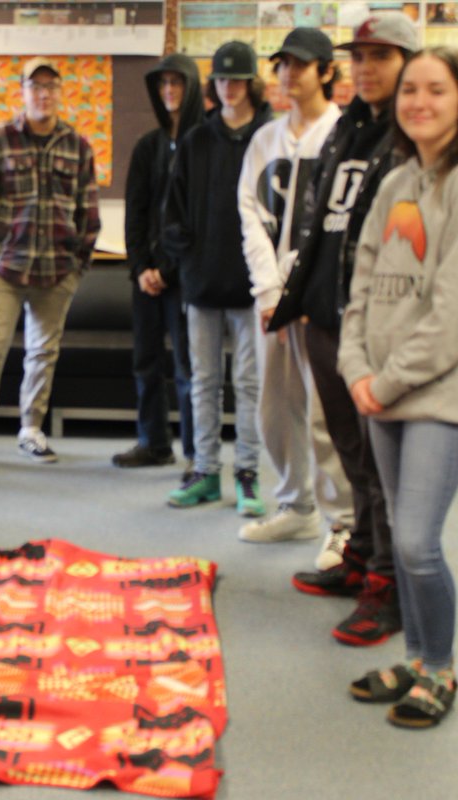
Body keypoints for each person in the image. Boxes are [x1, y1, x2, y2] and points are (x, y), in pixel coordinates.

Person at [339, 45, 458, 727]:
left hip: (440, 389)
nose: (419, 102)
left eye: (436, 91)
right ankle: (414, 660)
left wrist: (384, 380)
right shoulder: (397, 184)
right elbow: (363, 284)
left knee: (415, 541)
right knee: (397, 527)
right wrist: (356, 366)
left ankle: (440, 669)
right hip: (382, 386)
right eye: (410, 90)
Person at [272, 12, 419, 647]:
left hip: (378, 328)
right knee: (352, 452)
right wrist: (299, 298)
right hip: (326, 315)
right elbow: (318, 219)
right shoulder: (345, 130)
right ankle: (361, 552)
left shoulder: (412, 137)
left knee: (383, 462)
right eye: (358, 56)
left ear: (410, 63)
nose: (365, 67)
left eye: (380, 56)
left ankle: (388, 586)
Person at [236, 27, 354, 545]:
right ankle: (296, 505)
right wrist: (269, 292)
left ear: (327, 72)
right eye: (282, 64)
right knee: (274, 406)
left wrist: (307, 294)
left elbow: (344, 226)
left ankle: (344, 523)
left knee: (327, 413)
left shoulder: (345, 134)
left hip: (323, 300)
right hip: (273, 297)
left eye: (301, 65)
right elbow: (251, 217)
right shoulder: (265, 139)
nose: (288, 74)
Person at [0, 57, 101, 471]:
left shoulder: (78, 146)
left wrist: (79, 263)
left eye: (51, 87)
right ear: (22, 91)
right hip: (4, 269)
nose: (44, 94)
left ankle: (31, 431)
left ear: (61, 93)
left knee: (44, 352)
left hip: (57, 270)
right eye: (35, 86)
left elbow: (88, 211)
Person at [163, 41, 272, 516]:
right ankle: (206, 471)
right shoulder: (196, 141)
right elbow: (175, 212)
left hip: (253, 286)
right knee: (203, 382)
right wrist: (189, 261)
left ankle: (247, 474)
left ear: (252, 84)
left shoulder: (269, 138)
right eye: (222, 80)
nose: (230, 88)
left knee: (249, 383)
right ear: (214, 87)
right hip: (202, 284)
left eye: (238, 80)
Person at [110, 54, 203, 470]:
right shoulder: (148, 145)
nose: (169, 91)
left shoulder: (203, 142)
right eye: (164, 84)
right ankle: (154, 442)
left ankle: (197, 452)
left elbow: (195, 218)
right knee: (145, 360)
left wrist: (165, 270)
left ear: (192, 87)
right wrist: (140, 268)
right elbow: (136, 213)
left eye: (177, 83)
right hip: (146, 276)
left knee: (187, 366)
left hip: (184, 276)